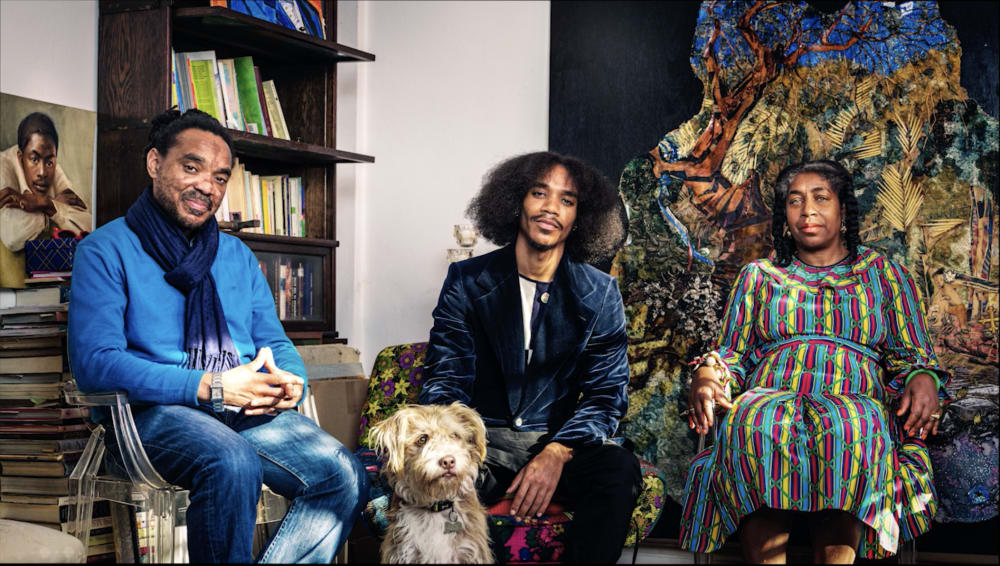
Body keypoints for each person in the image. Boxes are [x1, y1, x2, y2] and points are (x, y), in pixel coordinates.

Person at [68, 108, 367, 563]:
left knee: (343, 475)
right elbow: (96, 364)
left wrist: (291, 382)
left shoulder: (236, 255)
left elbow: (275, 342)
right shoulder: (105, 250)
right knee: (231, 463)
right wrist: (210, 385)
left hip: (241, 409)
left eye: (221, 177)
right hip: (152, 416)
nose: (208, 186)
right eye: (191, 167)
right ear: (154, 163)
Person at [680, 159, 949, 563]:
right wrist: (707, 374)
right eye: (795, 201)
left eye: (820, 199)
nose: (807, 211)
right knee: (754, 419)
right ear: (784, 214)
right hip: (773, 393)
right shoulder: (760, 275)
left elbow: (913, 353)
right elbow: (731, 353)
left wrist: (923, 376)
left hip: (853, 397)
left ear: (843, 209)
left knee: (849, 426)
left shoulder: (884, 274)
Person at [419, 151, 642, 564]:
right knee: (435, 479)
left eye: (567, 200)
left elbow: (606, 395)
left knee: (619, 470)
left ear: (580, 217)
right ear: (515, 201)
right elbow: (445, 377)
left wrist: (557, 452)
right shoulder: (467, 281)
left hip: (559, 443)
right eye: (540, 193)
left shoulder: (600, 293)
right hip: (482, 445)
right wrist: (462, 447)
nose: (550, 208)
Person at [0, 112, 91, 287]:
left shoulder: (49, 162)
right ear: (20, 157)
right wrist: (55, 211)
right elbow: (13, 235)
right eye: (33, 160)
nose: (42, 172)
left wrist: (45, 203)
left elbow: (89, 223)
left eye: (49, 162)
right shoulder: (3, 166)